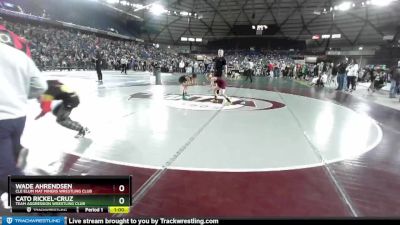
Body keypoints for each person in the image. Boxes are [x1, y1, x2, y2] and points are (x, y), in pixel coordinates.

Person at [0, 27, 47, 208]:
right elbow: (40, 86)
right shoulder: (22, 57)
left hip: (1, 119)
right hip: (18, 117)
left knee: (5, 169)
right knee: (7, 154)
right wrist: (20, 94)